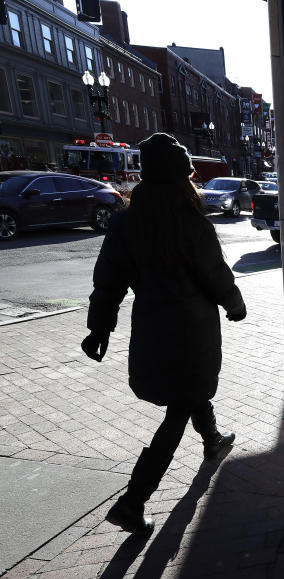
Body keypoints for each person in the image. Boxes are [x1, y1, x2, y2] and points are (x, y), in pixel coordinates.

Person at [81, 133, 246, 536]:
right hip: (191, 327)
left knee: (184, 393)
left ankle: (212, 439)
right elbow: (213, 271)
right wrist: (233, 302)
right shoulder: (188, 219)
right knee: (181, 403)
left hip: (153, 324)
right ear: (180, 177)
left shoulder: (126, 221)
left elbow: (109, 281)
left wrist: (99, 327)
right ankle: (132, 501)